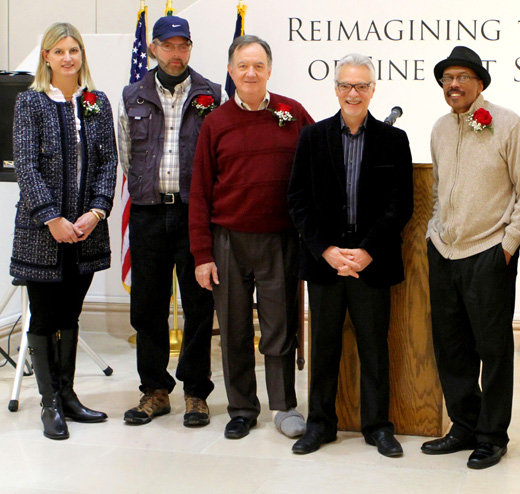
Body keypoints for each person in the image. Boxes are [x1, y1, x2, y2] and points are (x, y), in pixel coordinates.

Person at [288, 54, 413, 457]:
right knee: (324, 347)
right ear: (336, 89)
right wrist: (326, 250)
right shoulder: (312, 137)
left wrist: (366, 252)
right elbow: (298, 200)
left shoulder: (394, 140)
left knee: (375, 348)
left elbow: (401, 204)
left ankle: (377, 427)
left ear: (373, 90)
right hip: (326, 264)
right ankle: (320, 424)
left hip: (370, 265)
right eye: (346, 85)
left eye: (361, 86)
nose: (353, 93)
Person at [189, 35, 313, 440]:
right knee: (235, 329)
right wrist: (202, 254)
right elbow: (201, 192)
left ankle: (283, 406)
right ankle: (242, 408)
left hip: (280, 240)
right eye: (243, 65)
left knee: (279, 327)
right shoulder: (216, 122)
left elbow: (321, 162)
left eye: (258, 65)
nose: (251, 72)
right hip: (228, 242)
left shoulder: (292, 113)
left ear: (270, 70)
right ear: (230, 70)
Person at [421, 46, 520, 468]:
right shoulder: (438, 128)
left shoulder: (509, 125)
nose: (453, 85)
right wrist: (434, 232)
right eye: (447, 78)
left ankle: (492, 435)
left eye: (461, 77)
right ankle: (464, 425)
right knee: (451, 348)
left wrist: (510, 244)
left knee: (493, 348)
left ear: (480, 83)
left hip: (488, 253)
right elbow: (437, 188)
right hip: (444, 252)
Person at [11, 22, 117, 440]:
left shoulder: (97, 102)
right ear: (47, 57)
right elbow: (26, 164)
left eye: (74, 50)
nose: (68, 57)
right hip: (42, 232)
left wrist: (97, 211)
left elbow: (109, 161)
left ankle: (69, 396)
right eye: (60, 51)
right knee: (43, 314)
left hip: (86, 230)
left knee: (71, 313)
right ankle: (49, 402)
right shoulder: (30, 103)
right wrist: (51, 218)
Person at [119, 15, 226, 427]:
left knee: (199, 305)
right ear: (154, 49)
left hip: (193, 213)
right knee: (147, 307)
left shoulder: (210, 94)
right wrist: (148, 190)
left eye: (183, 45)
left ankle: (196, 392)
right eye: (168, 45)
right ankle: (155, 391)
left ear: (190, 48)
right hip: (147, 213)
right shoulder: (132, 95)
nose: (176, 53)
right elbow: (127, 155)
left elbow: (216, 157)